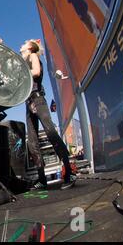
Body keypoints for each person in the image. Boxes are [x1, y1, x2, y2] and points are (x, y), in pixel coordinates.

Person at [18, 39, 76, 190]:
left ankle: (69, 173)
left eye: (23, 45)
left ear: (30, 48)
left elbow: (36, 72)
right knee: (32, 142)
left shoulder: (32, 56)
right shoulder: (25, 62)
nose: (20, 47)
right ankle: (42, 179)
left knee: (50, 132)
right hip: (29, 103)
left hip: (38, 100)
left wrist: (22, 75)